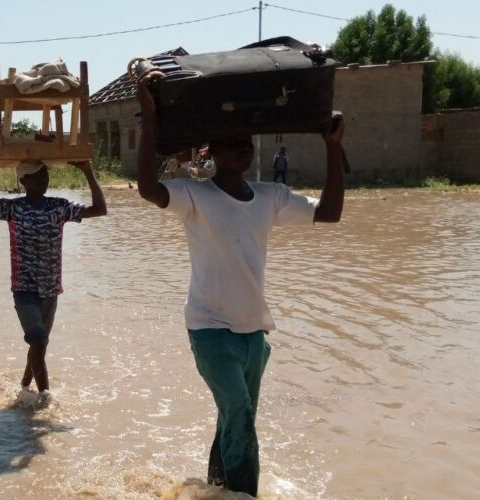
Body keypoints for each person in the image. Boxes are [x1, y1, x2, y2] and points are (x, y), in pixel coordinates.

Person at [134, 77, 345, 496]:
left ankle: (216, 488)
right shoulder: (194, 196)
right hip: (209, 331)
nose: (242, 147)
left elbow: (330, 213)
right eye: (231, 142)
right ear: (211, 151)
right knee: (241, 415)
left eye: (245, 141)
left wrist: (333, 147)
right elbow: (148, 189)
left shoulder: (270, 196)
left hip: (253, 335)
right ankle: (245, 495)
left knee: (233, 419)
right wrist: (150, 119)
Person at [0, 134, 107, 402]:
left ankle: (23, 388)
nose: (45, 180)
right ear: (24, 181)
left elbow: (100, 209)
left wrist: (88, 172)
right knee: (38, 341)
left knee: (39, 345)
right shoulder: (12, 209)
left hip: (51, 289)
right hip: (24, 289)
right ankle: (45, 399)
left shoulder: (59, 206)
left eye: (45, 175)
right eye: (38, 176)